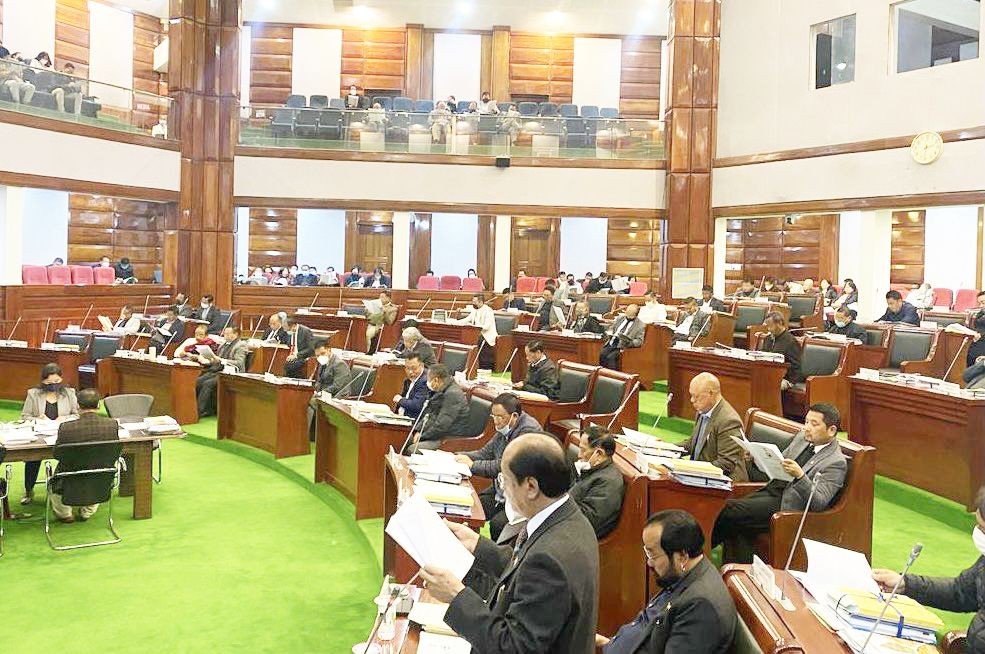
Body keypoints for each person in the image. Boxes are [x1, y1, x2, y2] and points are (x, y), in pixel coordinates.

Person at [420, 433, 599, 653]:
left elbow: (513, 647)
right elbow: (526, 570)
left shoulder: (549, 559)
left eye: (505, 480)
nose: (503, 489)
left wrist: (456, 595)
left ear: (531, 487)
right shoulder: (569, 518)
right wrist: (477, 544)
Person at [711, 403, 847, 560]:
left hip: (787, 506)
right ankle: (730, 564)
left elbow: (818, 502)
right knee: (729, 512)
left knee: (729, 510)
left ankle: (699, 552)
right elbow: (778, 464)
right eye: (806, 422)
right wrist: (755, 458)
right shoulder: (802, 439)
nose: (807, 428)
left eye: (814, 424)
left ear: (832, 430)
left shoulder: (836, 462)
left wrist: (800, 476)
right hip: (771, 491)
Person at [599, 510, 737, 653]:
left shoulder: (701, 607)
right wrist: (608, 644)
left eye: (653, 555)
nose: (649, 563)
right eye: (647, 553)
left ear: (682, 556)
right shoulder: (684, 575)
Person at [455, 393, 542, 540]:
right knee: (471, 507)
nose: (495, 421)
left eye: (499, 417)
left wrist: (472, 465)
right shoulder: (505, 429)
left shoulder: (528, 432)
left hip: (520, 495)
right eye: (493, 416)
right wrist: (458, 456)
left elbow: (508, 466)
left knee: (497, 525)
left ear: (514, 416)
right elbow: (485, 452)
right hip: (502, 489)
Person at [48, 388, 119, 523]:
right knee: (98, 471)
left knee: (59, 475)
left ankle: (65, 515)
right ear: (98, 405)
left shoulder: (66, 427)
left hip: (69, 478)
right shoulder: (112, 425)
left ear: (78, 406)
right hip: (101, 477)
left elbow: (57, 454)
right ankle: (87, 512)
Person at [19, 363, 80, 506]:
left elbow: (76, 415)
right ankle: (29, 490)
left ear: (61, 380)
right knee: (32, 459)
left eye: (57, 382)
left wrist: (64, 419)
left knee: (73, 456)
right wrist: (37, 419)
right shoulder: (33, 394)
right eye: (49, 382)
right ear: (43, 381)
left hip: (63, 434)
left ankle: (67, 489)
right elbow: (25, 416)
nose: (54, 385)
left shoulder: (69, 393)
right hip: (40, 435)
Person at [682, 373, 747, 481]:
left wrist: (691, 469)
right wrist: (663, 448)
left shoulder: (728, 421)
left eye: (696, 396)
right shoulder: (703, 411)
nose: (692, 400)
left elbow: (726, 463)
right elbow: (692, 444)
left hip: (725, 483)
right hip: (702, 476)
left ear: (710, 393)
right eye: (691, 395)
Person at [569, 425, 625, 539]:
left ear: (599, 453)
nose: (579, 455)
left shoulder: (608, 483)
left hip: (577, 539)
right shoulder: (591, 471)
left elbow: (586, 521)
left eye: (583, 450)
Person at [410, 364, 470, 451]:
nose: (428, 383)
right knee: (403, 438)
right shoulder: (442, 389)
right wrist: (418, 430)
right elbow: (431, 415)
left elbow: (442, 425)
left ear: (436, 380)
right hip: (439, 434)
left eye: (428, 380)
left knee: (412, 449)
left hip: (449, 438)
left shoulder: (452, 394)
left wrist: (422, 437)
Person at [195, 326, 249, 417]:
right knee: (198, 380)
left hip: (230, 373)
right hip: (218, 370)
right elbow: (217, 360)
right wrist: (210, 359)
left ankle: (200, 411)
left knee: (208, 383)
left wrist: (221, 360)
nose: (225, 336)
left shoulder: (240, 345)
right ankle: (198, 407)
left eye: (228, 334)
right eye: (224, 334)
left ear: (235, 334)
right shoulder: (223, 345)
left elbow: (239, 363)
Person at [758, 312, 803, 390]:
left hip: (787, 379)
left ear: (779, 323)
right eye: (767, 326)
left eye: (770, 326)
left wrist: (781, 376)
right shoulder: (767, 339)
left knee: (769, 385)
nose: (769, 329)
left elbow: (795, 367)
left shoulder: (791, 341)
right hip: (770, 375)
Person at [600, 304, 645, 370]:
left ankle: (613, 378)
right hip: (612, 343)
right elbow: (611, 328)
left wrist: (630, 342)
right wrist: (609, 333)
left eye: (631, 315)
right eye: (627, 313)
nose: (628, 316)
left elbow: (639, 341)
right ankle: (603, 376)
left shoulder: (640, 325)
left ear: (636, 315)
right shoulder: (619, 318)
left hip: (623, 347)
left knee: (611, 358)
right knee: (602, 354)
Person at [458, 293, 497, 370]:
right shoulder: (475, 310)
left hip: (487, 336)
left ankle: (478, 365)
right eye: (473, 301)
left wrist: (475, 327)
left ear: (481, 302)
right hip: (477, 334)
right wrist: (454, 322)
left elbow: (487, 326)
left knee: (474, 338)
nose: (473, 303)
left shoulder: (488, 311)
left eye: (475, 302)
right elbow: (467, 320)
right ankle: (468, 364)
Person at [393, 353, 430, 419]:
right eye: (407, 368)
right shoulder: (409, 380)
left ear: (422, 365)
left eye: (413, 368)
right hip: (401, 417)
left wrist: (400, 400)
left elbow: (416, 405)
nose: (410, 372)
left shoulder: (425, 381)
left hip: (412, 421)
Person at [967, 291, 985, 365]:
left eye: (983, 303)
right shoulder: (981, 312)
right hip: (977, 340)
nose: (981, 305)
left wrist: (981, 334)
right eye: (979, 303)